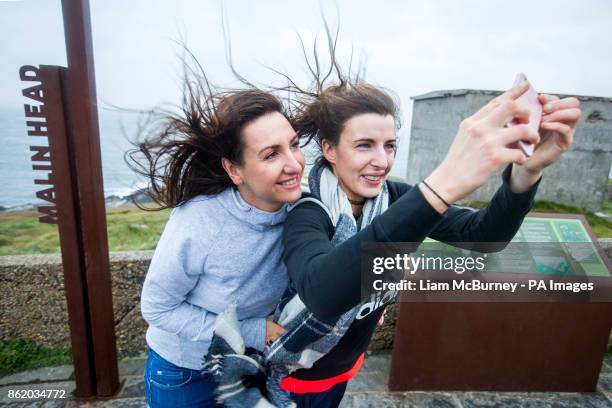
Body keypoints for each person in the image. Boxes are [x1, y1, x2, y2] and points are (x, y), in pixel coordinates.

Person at [280, 71, 581, 406]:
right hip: (286, 374)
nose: (382, 161)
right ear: (329, 150)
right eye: (364, 145)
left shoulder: (393, 198)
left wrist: (528, 170)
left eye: (390, 146)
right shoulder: (307, 212)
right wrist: (442, 184)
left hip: (341, 370)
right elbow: (323, 292)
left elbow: (483, 235)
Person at [127, 68, 305, 407]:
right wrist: (256, 331)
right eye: (271, 154)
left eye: (294, 145)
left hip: (248, 362)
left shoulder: (303, 208)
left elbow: (359, 227)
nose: (294, 164)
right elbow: (157, 307)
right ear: (234, 170)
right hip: (186, 371)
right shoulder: (200, 220)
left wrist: (370, 292)